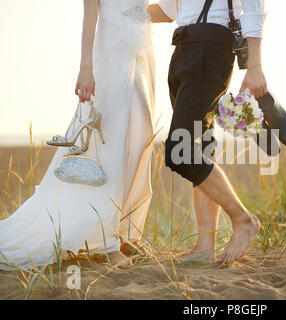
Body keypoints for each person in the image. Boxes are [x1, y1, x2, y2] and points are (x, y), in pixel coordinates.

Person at [0, 0, 156, 270]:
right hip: (112, 49)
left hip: (141, 48)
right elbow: (91, 11)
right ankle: (104, 244)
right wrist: (86, 67)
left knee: (141, 137)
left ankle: (124, 230)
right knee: (110, 139)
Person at [147, 0, 267, 264]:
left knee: (180, 151)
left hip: (211, 49)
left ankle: (242, 219)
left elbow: (254, 9)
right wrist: (115, 8)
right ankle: (205, 245)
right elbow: (169, 10)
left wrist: (256, 67)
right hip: (183, 48)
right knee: (199, 148)